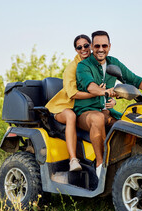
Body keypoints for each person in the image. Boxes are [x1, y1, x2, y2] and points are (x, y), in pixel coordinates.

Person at [74, 30, 142, 177]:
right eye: (97, 45)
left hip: (106, 112)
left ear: (109, 46)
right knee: (97, 118)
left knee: (131, 122)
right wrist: (105, 92)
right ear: (92, 46)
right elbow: (90, 86)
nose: (100, 49)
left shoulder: (114, 63)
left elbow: (135, 79)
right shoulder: (83, 66)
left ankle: (133, 166)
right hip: (85, 112)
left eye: (104, 45)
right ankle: (100, 166)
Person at [45, 34, 116, 172]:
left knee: (112, 118)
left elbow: (105, 89)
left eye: (86, 45)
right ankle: (73, 160)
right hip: (64, 106)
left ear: (91, 46)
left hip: (84, 106)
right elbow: (72, 94)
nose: (83, 49)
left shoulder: (95, 64)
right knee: (71, 116)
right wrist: (98, 92)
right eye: (79, 47)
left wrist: (111, 99)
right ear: (76, 50)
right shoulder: (72, 68)